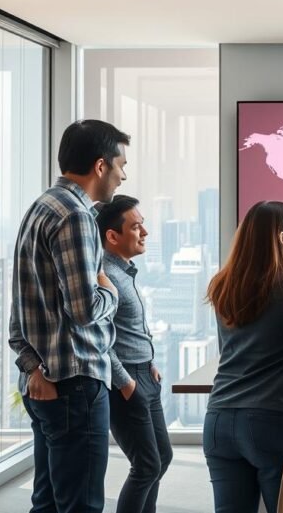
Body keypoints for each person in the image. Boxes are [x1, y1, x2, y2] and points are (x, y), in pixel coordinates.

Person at [8, 119, 130, 513]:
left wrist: (31, 367)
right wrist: (109, 291)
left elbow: (19, 313)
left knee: (47, 502)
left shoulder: (40, 207)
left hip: (47, 383)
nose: (123, 176)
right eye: (120, 165)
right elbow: (85, 310)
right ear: (100, 166)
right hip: (76, 386)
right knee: (81, 505)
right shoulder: (76, 217)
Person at [204, 201, 283, 513]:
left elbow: (228, 350)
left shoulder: (222, 284)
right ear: (282, 238)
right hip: (275, 419)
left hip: (219, 417)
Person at [96, 195, 173, 513]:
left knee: (161, 458)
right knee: (146, 466)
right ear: (112, 236)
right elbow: (102, 339)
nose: (145, 233)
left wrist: (150, 361)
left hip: (144, 374)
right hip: (126, 380)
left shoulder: (124, 271)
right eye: (137, 227)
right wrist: (127, 383)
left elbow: (131, 327)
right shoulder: (106, 276)